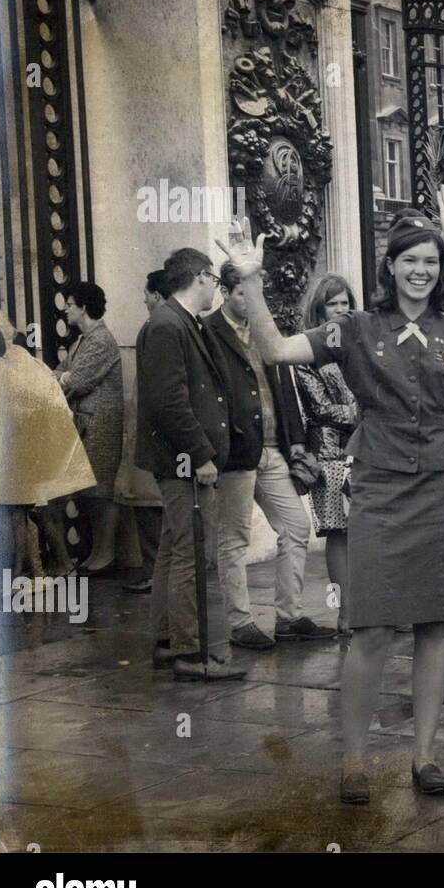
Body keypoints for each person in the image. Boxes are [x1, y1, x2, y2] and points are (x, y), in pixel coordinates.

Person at [216, 200, 444, 804]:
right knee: (369, 629)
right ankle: (356, 762)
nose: (420, 270)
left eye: (430, 261)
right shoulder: (357, 328)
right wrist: (251, 277)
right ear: (390, 267)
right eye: (409, 261)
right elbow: (276, 350)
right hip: (382, 490)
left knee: (436, 627)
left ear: (441, 268)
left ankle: (425, 756)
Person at [206, 262, 333, 651]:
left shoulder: (264, 329)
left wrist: (295, 439)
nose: (251, 298)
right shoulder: (208, 333)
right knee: (234, 538)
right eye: (244, 290)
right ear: (226, 293)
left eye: (256, 290)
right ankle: (240, 622)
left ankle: (289, 616)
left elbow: (283, 385)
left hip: (273, 448)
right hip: (237, 451)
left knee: (295, 526)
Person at [137, 248, 245, 682]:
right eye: (214, 282)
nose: (215, 290)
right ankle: (190, 651)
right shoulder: (168, 324)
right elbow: (169, 402)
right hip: (183, 459)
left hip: (181, 456)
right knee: (192, 553)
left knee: (173, 548)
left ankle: (169, 640)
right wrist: (200, 454)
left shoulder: (176, 321)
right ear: (199, 278)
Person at [0, 305, 96, 580]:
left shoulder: (5, 364)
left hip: (21, 449)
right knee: (31, 513)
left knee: (20, 514)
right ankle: (35, 571)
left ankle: (18, 575)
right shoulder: (24, 360)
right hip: (40, 446)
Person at [295, 274, 360, 635]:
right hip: (328, 453)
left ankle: (377, 607)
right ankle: (343, 612)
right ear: (319, 307)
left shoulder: (361, 342)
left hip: (365, 448)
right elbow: (319, 407)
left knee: (371, 531)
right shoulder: (309, 349)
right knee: (338, 536)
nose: (340, 309)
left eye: (344, 302)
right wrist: (363, 413)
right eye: (332, 303)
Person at [58, 282, 124, 573]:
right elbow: (64, 373)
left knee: (101, 493)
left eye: (70, 304)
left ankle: (105, 554)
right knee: (90, 493)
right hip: (88, 423)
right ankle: (99, 553)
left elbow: (77, 379)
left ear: (84, 307)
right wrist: (64, 376)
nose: (66, 309)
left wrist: (63, 377)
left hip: (100, 426)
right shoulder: (82, 340)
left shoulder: (99, 340)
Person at [120, 270, 169, 594]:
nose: (144, 299)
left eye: (148, 293)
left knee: (149, 504)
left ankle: (155, 572)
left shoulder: (156, 328)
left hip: (152, 435)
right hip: (153, 434)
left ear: (158, 296)